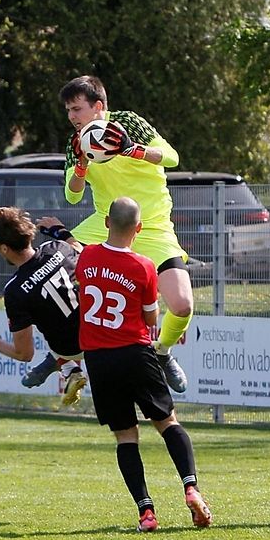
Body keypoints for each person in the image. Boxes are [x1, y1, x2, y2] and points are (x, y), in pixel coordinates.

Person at [76, 196, 211, 532]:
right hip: (135, 353)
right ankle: (191, 488)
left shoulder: (87, 256)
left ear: (106, 222)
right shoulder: (144, 267)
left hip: (98, 358)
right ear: (138, 229)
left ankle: (146, 512)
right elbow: (150, 318)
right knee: (167, 422)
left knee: (126, 436)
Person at [57, 75, 192, 394]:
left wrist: (132, 150)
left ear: (98, 106)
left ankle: (162, 352)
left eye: (77, 109)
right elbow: (72, 196)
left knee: (182, 305)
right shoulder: (76, 141)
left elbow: (172, 158)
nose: (72, 116)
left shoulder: (128, 122)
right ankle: (64, 360)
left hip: (152, 226)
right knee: (55, 265)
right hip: (106, 223)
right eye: (69, 111)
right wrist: (81, 166)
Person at [0, 208, 86, 405]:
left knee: (45, 316)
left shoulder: (14, 290)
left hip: (70, 348)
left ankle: (69, 368)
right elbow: (81, 250)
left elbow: (25, 354)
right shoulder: (56, 247)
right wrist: (61, 230)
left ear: (4, 248)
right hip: (99, 329)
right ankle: (65, 367)